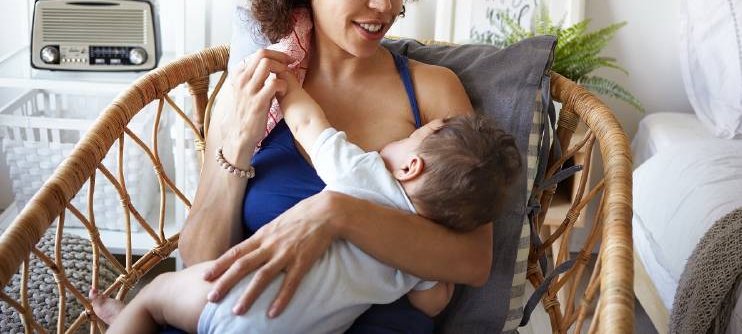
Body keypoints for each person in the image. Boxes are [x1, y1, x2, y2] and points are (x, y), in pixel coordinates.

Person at [173, 0, 496, 333]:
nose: (384, 4)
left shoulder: (432, 91)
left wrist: (335, 215)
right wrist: (239, 147)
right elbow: (198, 263)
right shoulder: (254, 89)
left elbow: (473, 260)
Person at [91, 68, 522, 333]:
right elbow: (433, 302)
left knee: (155, 295)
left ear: (410, 167)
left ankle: (129, 319)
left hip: (240, 301)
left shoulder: (363, 173)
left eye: (415, 136)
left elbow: (308, 124)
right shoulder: (420, 254)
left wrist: (288, 86)